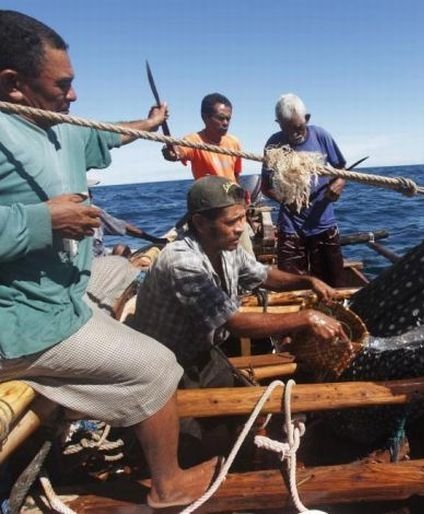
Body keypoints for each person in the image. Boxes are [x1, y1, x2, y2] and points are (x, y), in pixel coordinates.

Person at [0, 10, 216, 508]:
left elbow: (101, 132)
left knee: (119, 269)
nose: (73, 97)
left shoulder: (53, 123)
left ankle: (66, 390)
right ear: (12, 83)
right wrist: (43, 220)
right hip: (25, 325)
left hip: (62, 297)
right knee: (158, 365)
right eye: (63, 85)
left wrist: (151, 124)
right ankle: (169, 486)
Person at [130, 176, 349, 461]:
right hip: (165, 365)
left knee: (245, 418)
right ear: (199, 223)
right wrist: (306, 317)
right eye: (231, 221)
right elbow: (232, 322)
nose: (240, 228)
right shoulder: (182, 262)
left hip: (204, 352)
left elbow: (264, 275)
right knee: (195, 447)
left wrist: (307, 281)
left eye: (243, 218)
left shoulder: (225, 246)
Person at [261, 93, 347, 286]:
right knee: (292, 286)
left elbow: (343, 169)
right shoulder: (273, 144)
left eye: (298, 127)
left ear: (307, 119)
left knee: (334, 285)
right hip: (291, 229)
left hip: (324, 225)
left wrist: (339, 183)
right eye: (286, 128)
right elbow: (266, 187)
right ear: (278, 123)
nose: (293, 134)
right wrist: (286, 200)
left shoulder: (321, 135)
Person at [162, 93, 255, 254]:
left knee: (247, 256)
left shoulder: (233, 142)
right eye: (221, 118)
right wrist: (169, 151)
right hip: (211, 215)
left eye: (228, 119)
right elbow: (176, 152)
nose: (225, 123)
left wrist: (242, 206)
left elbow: (235, 176)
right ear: (205, 117)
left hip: (234, 209)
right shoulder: (195, 140)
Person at [88, 179, 168, 259]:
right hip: (95, 265)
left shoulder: (95, 211)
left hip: (101, 257)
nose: (91, 196)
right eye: (88, 192)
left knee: (121, 248)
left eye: (90, 192)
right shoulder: (91, 212)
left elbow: (123, 227)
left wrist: (154, 240)